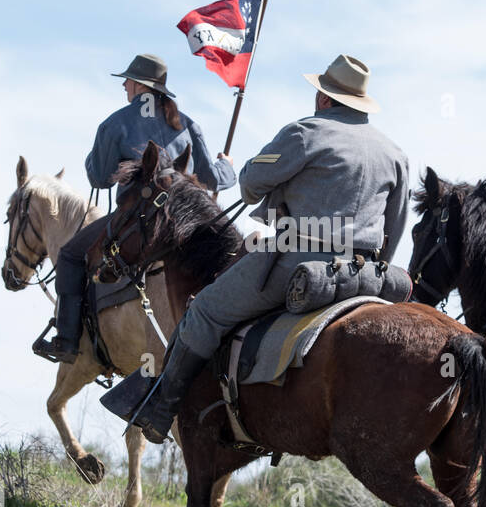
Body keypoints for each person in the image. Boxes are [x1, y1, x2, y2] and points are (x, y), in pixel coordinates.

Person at [99, 54, 409, 443]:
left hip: (295, 260)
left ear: (325, 99)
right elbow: (394, 228)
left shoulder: (305, 133)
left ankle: (161, 411)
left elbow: (248, 182)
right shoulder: (395, 154)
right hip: (366, 274)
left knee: (204, 313)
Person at [33, 54, 236, 363]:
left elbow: (99, 178)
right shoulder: (189, 125)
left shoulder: (115, 124)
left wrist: (94, 157)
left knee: (72, 255)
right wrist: (227, 165)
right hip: (189, 225)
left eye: (127, 80)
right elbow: (212, 179)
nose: (124, 86)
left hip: (138, 219)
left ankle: (67, 341)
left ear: (140, 85)